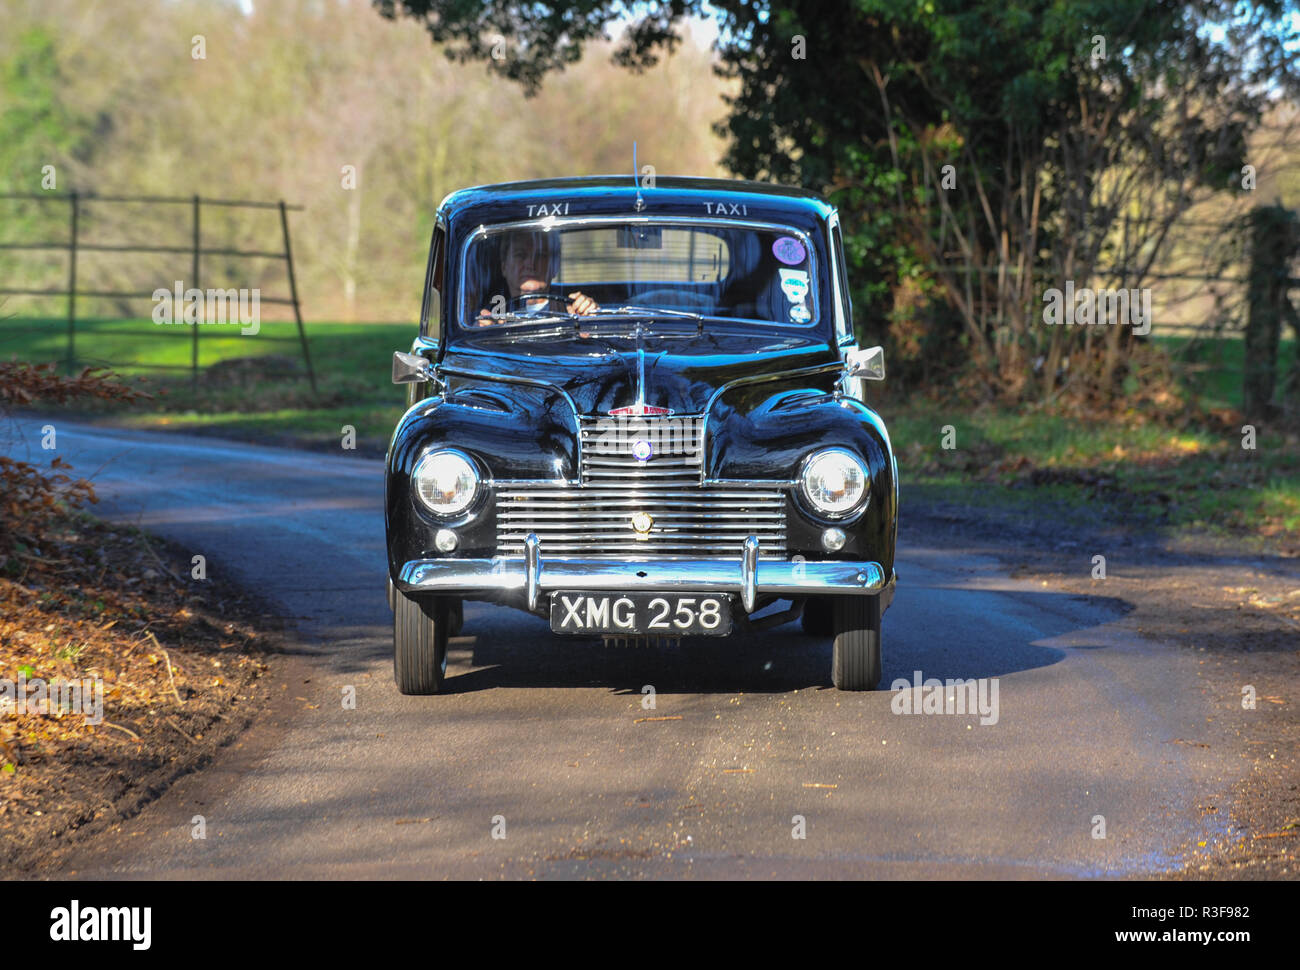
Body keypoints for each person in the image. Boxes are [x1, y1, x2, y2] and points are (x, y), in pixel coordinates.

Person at [478, 230, 598, 324]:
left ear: (555, 266)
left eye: (541, 255)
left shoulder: (571, 311)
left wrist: (588, 316)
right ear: (504, 266)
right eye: (520, 255)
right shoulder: (490, 314)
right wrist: (482, 331)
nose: (531, 264)